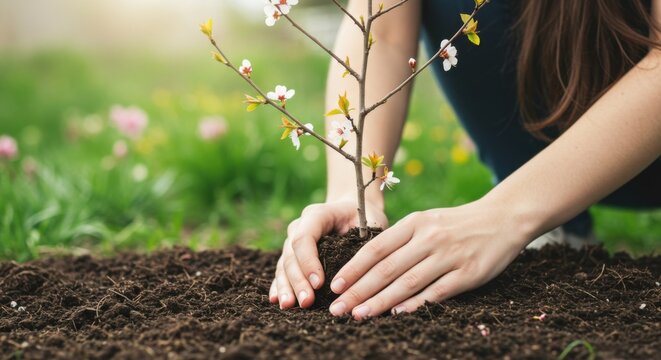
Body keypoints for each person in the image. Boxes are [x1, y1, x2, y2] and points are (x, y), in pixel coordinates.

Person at [269, 0, 661, 319]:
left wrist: (506, 214)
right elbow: (381, 34)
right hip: (543, 146)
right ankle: (554, 218)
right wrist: (353, 196)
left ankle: (531, 207)